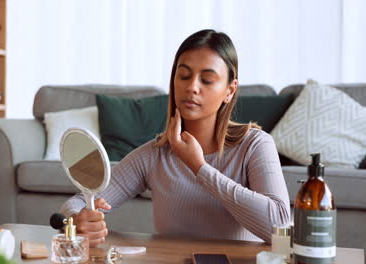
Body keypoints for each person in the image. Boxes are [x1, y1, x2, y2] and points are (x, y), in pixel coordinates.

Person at [60, 29, 290, 247]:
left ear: (229, 91)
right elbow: (76, 202)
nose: (192, 87)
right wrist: (76, 220)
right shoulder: (154, 155)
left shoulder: (255, 145)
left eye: (207, 80)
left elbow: (279, 226)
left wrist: (199, 167)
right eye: (184, 76)